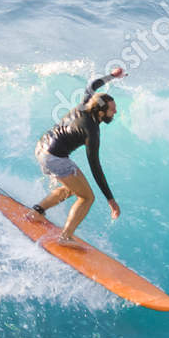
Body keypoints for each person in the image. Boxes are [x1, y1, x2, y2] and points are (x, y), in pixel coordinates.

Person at [32, 67, 125, 244]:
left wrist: (112, 76)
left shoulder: (86, 104)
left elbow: (92, 85)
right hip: (54, 157)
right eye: (112, 110)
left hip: (42, 147)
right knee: (87, 197)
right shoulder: (92, 132)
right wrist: (110, 200)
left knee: (73, 188)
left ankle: (37, 211)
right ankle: (65, 237)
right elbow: (95, 167)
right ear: (100, 112)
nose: (115, 112)